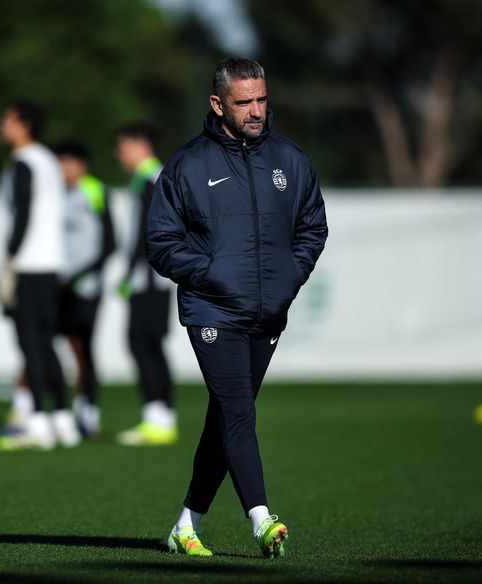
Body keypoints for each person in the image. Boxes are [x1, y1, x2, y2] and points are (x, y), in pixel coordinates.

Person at [146, 58, 327, 558]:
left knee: (224, 420)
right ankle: (261, 519)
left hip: (269, 314)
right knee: (239, 413)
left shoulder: (290, 160)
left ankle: (186, 525)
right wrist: (213, 276)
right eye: (244, 102)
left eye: (262, 100)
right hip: (212, 312)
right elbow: (161, 243)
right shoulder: (186, 165)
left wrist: (290, 276)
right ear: (217, 103)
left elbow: (313, 227)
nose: (255, 111)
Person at [0, 100, 80, 451]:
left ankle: (39, 424)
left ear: (24, 125)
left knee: (30, 342)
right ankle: (63, 420)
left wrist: (10, 259)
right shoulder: (47, 159)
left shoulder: (24, 161)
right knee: (46, 342)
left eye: (8, 119)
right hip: (51, 263)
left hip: (30, 263)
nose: (2, 124)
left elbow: (23, 212)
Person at [114, 123, 177, 446]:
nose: (118, 154)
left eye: (123, 146)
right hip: (150, 278)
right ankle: (160, 416)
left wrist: (129, 274)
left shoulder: (152, 180)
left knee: (144, 343)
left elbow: (149, 234)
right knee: (148, 344)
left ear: (141, 145)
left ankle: (159, 417)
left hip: (151, 279)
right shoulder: (149, 179)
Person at [54, 141, 116, 436]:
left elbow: (109, 243)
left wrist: (81, 273)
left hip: (87, 286)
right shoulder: (54, 194)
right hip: (57, 284)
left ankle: (88, 410)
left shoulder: (94, 190)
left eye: (68, 162)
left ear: (81, 164)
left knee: (83, 348)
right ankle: (47, 410)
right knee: (46, 345)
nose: (63, 169)